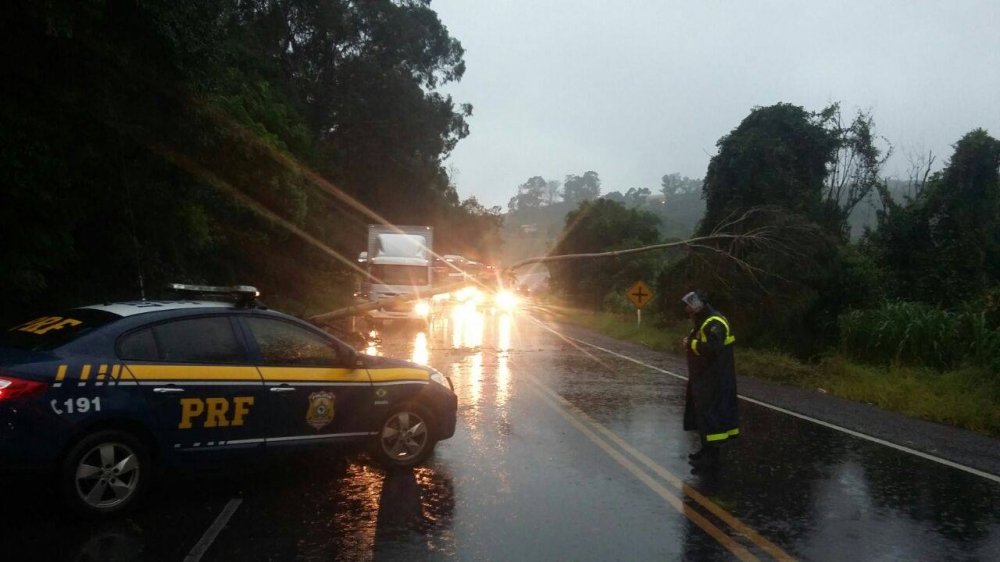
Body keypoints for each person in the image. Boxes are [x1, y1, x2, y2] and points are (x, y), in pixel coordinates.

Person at [681, 290, 739, 468]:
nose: (686, 309)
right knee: (703, 415)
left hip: (715, 378)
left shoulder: (715, 322)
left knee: (712, 415)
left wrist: (690, 344)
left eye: (689, 306)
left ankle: (712, 456)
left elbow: (712, 348)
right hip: (704, 377)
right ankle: (706, 450)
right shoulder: (703, 321)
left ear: (697, 306)